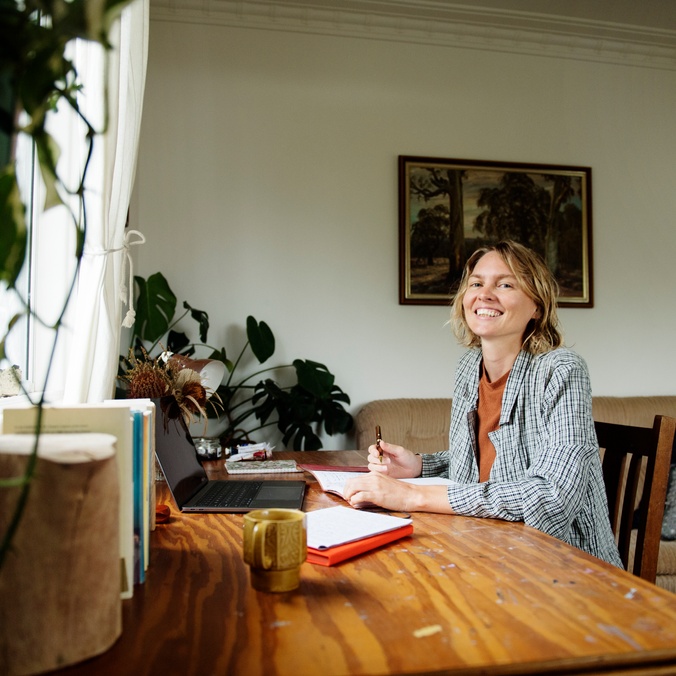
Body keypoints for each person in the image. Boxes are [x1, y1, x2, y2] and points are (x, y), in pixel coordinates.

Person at [343, 240, 623, 567]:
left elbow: (553, 498)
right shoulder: (468, 368)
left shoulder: (562, 370)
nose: (484, 294)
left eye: (505, 284)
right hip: (488, 548)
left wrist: (412, 496)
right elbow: (485, 463)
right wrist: (419, 466)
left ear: (537, 306)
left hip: (564, 567)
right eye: (476, 283)